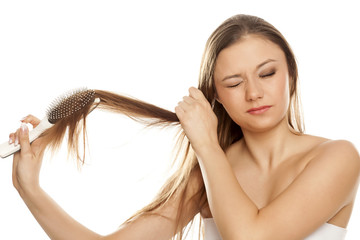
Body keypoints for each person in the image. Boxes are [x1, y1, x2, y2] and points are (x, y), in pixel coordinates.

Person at [9, 14, 360, 240]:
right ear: (216, 97)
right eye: (234, 82)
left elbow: (252, 237)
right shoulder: (209, 173)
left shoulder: (337, 157)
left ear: (291, 76)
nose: (254, 93)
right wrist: (30, 190)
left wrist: (206, 144)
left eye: (267, 73)